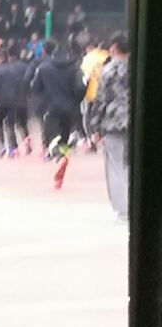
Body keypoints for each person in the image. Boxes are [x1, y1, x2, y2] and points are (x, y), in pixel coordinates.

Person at [89, 33, 132, 221]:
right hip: (134, 123)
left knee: (115, 165)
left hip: (113, 122)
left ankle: (123, 209)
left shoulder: (109, 71)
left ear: (114, 48)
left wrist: (95, 127)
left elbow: (100, 100)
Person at [32, 35, 85, 158]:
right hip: (69, 108)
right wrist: (76, 101)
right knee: (64, 135)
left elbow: (35, 88)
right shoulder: (73, 68)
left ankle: (56, 155)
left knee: (51, 136)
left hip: (50, 107)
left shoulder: (43, 68)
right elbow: (80, 87)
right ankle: (63, 154)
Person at [0, 46, 33, 158]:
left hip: (0, 101)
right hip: (15, 101)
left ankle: (1, 146)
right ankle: (14, 148)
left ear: (0, 58)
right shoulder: (15, 70)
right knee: (11, 124)